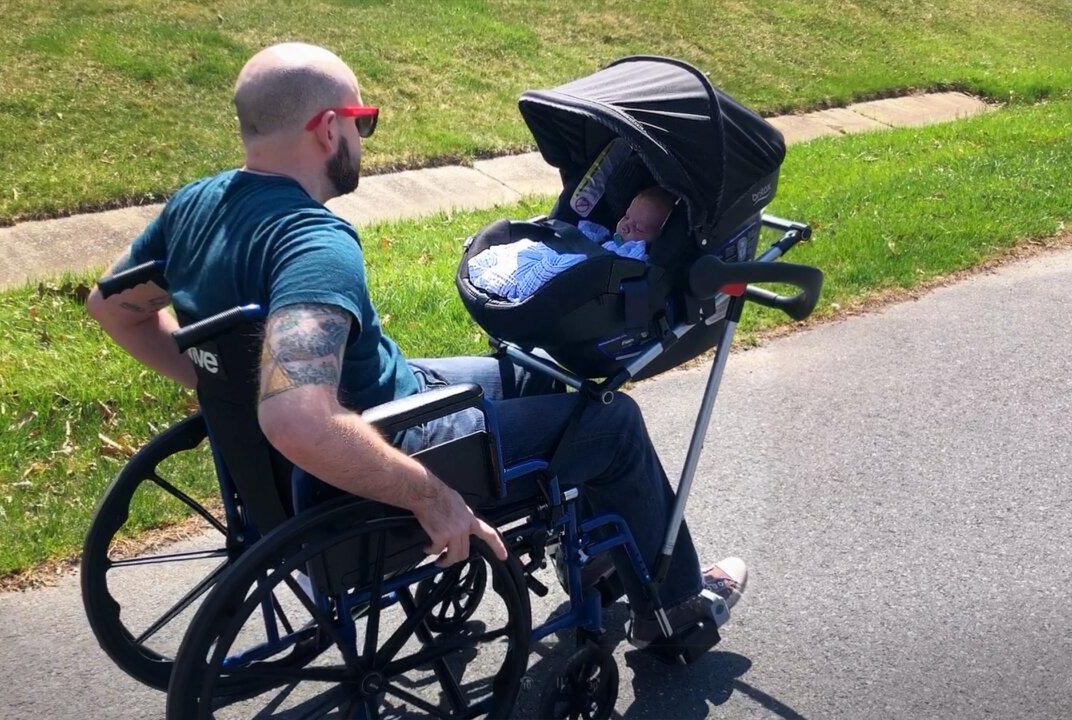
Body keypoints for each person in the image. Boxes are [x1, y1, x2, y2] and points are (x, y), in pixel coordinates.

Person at [85, 42, 747, 648]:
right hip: (403, 444)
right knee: (614, 422)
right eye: (362, 122)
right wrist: (432, 498)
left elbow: (112, 309)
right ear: (327, 128)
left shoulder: (196, 205)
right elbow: (295, 418)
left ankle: (606, 555)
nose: (362, 139)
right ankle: (676, 612)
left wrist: (217, 377)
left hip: (374, 408)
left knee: (546, 379)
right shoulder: (312, 243)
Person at [467, 186, 674, 302]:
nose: (626, 226)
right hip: (578, 250)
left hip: (593, 274)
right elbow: (586, 235)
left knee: (556, 265)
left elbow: (625, 267)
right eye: (627, 217)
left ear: (657, 238)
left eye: (638, 228)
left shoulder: (637, 258)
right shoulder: (606, 237)